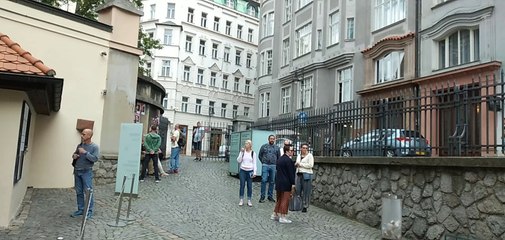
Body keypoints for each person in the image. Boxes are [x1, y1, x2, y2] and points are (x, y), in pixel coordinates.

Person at [71, 129, 100, 219]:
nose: (81, 135)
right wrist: (75, 156)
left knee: (88, 192)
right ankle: (81, 209)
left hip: (86, 171)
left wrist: (85, 153)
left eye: (83, 134)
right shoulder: (80, 145)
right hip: (77, 170)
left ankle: (89, 211)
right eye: (82, 134)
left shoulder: (94, 147)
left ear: (89, 136)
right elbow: (74, 155)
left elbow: (95, 158)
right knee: (79, 192)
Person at [271, 144, 296, 223]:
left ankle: (275, 214)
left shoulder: (280, 159)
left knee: (279, 199)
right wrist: (293, 183)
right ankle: (283, 216)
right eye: (291, 150)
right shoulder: (289, 161)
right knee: (285, 200)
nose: (292, 152)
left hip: (279, 182)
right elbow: (291, 173)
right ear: (287, 151)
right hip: (286, 183)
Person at [258, 135, 281, 203]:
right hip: (265, 165)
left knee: (272, 181)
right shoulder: (264, 146)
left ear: (275, 140)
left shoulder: (277, 148)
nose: (272, 140)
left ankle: (270, 196)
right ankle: (262, 196)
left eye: (273, 139)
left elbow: (278, 157)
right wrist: (263, 162)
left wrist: (276, 164)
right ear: (268, 139)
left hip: (273, 165)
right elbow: (260, 155)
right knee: (264, 180)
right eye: (271, 139)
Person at [237, 140, 257, 207]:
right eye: (245, 144)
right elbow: (238, 160)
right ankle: (241, 199)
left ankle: (249, 199)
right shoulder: (243, 152)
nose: (246, 145)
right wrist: (241, 153)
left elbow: (254, 163)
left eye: (247, 144)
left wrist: (255, 172)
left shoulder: (253, 153)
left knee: (249, 186)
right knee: (242, 185)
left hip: (250, 171)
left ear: (250, 145)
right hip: (243, 170)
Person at [295, 143, 314, 213]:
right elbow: (297, 162)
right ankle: (299, 204)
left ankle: (305, 206)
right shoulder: (299, 155)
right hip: (299, 174)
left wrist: (300, 164)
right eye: (303, 148)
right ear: (301, 148)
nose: (304, 149)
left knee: (306, 191)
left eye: (306, 148)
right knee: (298, 190)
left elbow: (310, 165)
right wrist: (296, 164)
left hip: (306, 174)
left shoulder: (310, 156)